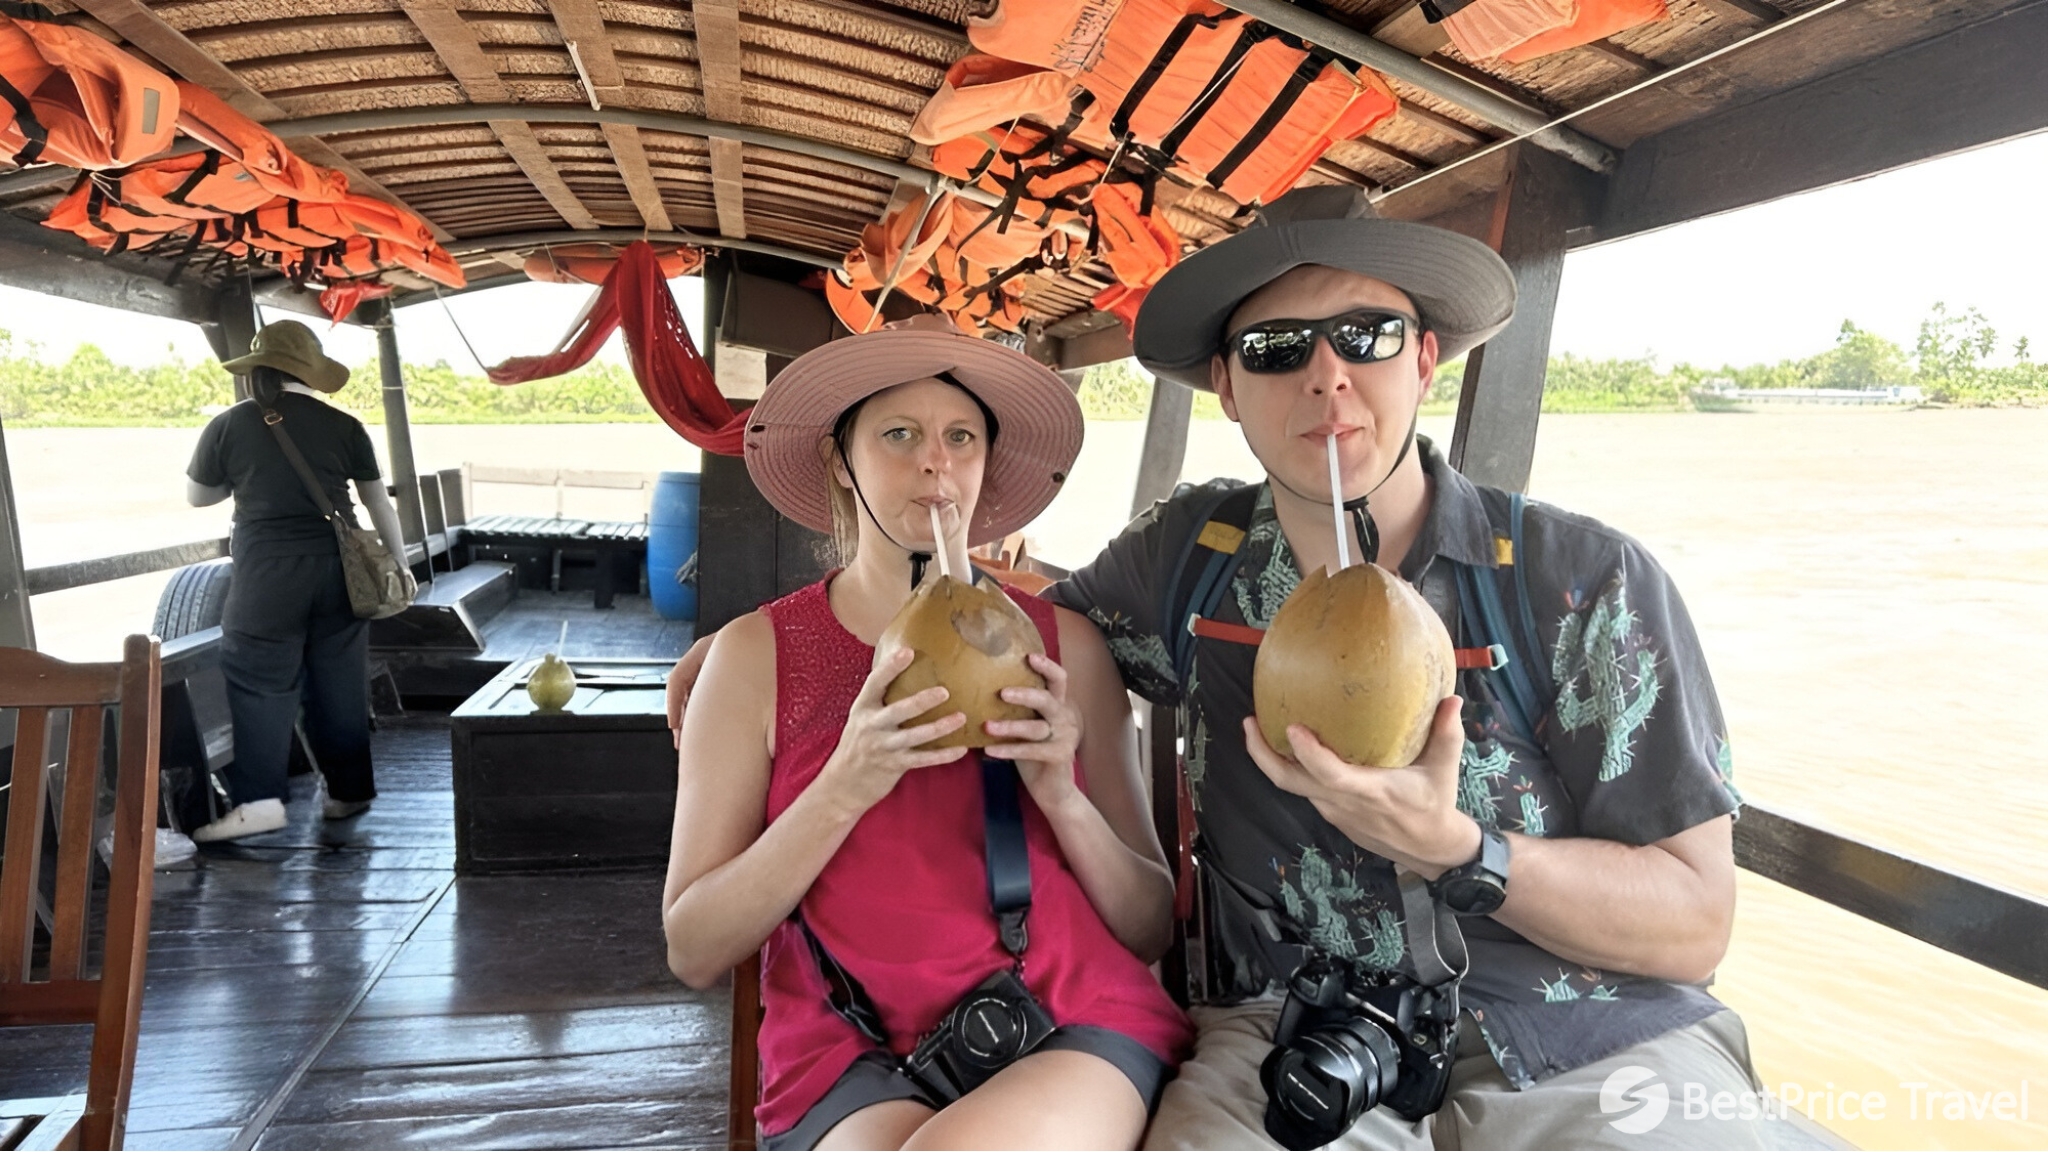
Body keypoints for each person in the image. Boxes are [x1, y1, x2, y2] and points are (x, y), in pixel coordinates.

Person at [672, 187, 1840, 1149]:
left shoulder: (1579, 581)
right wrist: (739, 675)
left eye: (1366, 336)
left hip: (1587, 1033)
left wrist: (1460, 849)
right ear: (1226, 388)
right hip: (1287, 1033)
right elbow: (1003, 635)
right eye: (1277, 348)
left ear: (1423, 356)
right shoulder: (1190, 565)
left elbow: (1692, 924)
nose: (1326, 377)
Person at [660, 318, 1192, 1150]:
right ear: (842, 460)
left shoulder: (1066, 649)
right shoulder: (756, 658)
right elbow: (694, 946)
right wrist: (845, 782)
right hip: (847, 1045)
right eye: (899, 434)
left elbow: (1150, 926)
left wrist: (1060, 795)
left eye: (960, 438)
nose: (934, 462)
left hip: (1069, 1021)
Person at [185, 320, 410, 842]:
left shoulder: (230, 424)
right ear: (311, 374)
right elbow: (379, 503)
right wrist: (398, 565)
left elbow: (199, 497)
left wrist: (246, 477)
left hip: (266, 574)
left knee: (258, 678)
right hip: (340, 570)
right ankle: (348, 792)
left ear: (257, 371)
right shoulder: (345, 425)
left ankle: (260, 802)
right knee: (339, 681)